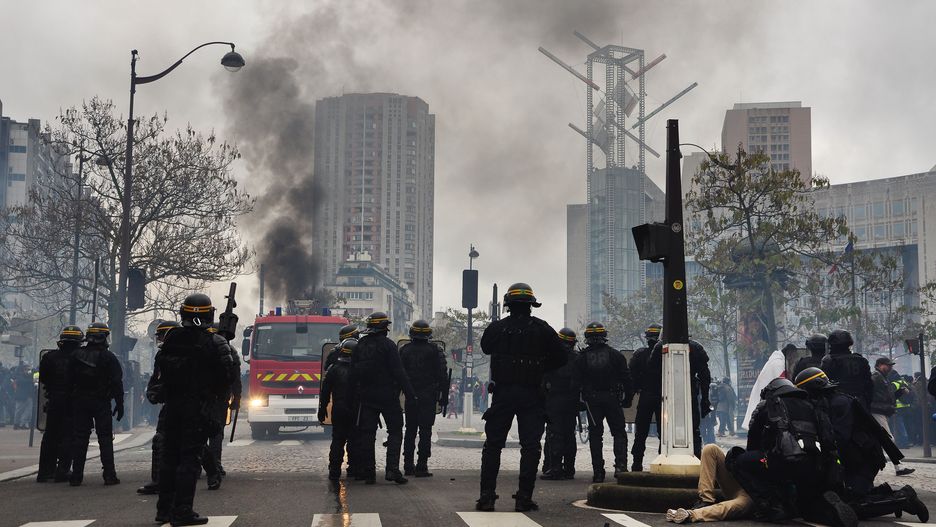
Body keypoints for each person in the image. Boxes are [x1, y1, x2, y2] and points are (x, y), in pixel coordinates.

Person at [476, 283, 566, 512]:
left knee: (493, 446)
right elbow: (561, 358)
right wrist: (541, 367)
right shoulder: (543, 329)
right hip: (532, 395)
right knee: (531, 447)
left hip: (504, 394)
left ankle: (487, 497)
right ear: (531, 306)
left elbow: (485, 347)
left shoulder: (497, 328)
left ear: (508, 305)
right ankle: (524, 497)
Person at [795, 367, 928, 522]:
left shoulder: (838, 403)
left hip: (863, 461)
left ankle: (904, 498)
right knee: (849, 495)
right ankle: (886, 495)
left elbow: (839, 438)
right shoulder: (831, 400)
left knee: (853, 505)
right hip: (856, 459)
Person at [155, 293, 234, 526]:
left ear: (183, 314)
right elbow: (226, 376)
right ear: (210, 314)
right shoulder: (215, 342)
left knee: (169, 458)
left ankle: (163, 510)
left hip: (173, 407)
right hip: (198, 407)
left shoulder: (171, 338)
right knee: (189, 460)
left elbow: (161, 370)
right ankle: (182, 511)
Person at [743, 378, 856, 526]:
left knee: (739, 459)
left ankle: (772, 506)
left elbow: (753, 442)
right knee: (806, 509)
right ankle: (827, 511)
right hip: (815, 467)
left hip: (782, 464)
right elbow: (829, 439)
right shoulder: (811, 405)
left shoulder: (770, 405)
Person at [351, 312, 416, 485]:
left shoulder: (360, 346)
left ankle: (369, 472)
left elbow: (353, 373)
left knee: (367, 434)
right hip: (388, 396)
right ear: (383, 328)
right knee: (395, 430)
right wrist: (410, 394)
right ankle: (392, 470)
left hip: (366, 398)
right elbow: (399, 372)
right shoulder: (389, 346)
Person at [576, 322, 633, 482]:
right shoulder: (615, 355)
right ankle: (621, 466)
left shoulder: (581, 358)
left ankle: (598, 472)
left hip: (592, 401)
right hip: (612, 399)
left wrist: (580, 402)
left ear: (587, 338)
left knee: (595, 435)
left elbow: (575, 382)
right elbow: (627, 379)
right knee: (619, 433)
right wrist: (627, 399)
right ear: (604, 336)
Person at [68, 322, 123, 486]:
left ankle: (76, 476)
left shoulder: (76, 354)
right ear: (103, 337)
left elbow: (68, 380)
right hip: (101, 401)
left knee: (80, 438)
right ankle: (109, 475)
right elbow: (116, 382)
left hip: (80, 401)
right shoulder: (109, 357)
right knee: (105, 438)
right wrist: (119, 403)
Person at [138, 320, 181, 495]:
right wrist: (152, 391)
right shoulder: (162, 355)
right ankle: (158, 481)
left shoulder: (190, 353)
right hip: (170, 403)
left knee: (193, 442)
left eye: (163, 336)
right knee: (160, 440)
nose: (161, 339)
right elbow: (158, 377)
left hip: (187, 403)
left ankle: (213, 472)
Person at [400, 320, 447, 477]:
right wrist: (444, 397)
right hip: (428, 395)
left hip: (410, 395)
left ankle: (407, 465)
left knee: (410, 430)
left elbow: (399, 375)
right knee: (425, 431)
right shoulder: (435, 350)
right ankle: (422, 466)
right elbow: (442, 376)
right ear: (428, 334)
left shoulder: (404, 350)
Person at [37, 326, 83, 483]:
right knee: (68, 436)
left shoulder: (49, 357)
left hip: (54, 401)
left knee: (50, 436)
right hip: (72, 402)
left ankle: (44, 472)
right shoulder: (80, 358)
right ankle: (62, 471)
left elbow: (43, 378)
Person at [665, 444, 755, 523]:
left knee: (732, 506)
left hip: (753, 495)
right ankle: (706, 500)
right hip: (740, 480)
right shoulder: (761, 428)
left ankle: (690, 514)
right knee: (710, 449)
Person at [199, 324, 242, 490]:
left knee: (200, 433)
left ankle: (202, 465)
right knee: (216, 433)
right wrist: (236, 398)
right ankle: (215, 465)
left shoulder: (199, 347)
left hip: (204, 396)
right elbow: (234, 379)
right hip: (219, 397)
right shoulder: (229, 351)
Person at [540, 327, 580, 481]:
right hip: (572, 402)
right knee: (570, 434)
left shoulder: (551, 358)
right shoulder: (578, 358)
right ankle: (569, 468)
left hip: (554, 400)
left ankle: (555, 468)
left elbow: (543, 380)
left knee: (555, 434)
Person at [319, 338, 358, 481]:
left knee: (338, 440)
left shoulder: (333, 370)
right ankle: (353, 469)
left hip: (338, 409)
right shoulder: (359, 371)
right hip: (355, 410)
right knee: (354, 440)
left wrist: (322, 409)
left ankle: (334, 470)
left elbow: (325, 392)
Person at [869, 357, 914, 476]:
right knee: (889, 439)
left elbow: (888, 397)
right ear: (879, 365)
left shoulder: (882, 378)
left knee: (879, 440)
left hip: (880, 411)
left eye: (890, 365)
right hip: (876, 411)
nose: (889, 368)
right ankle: (898, 467)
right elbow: (870, 394)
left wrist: (899, 393)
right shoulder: (876, 377)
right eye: (887, 365)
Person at [629, 323, 661, 472]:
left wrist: (634, 391)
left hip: (646, 396)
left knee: (640, 433)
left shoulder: (639, 354)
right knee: (664, 435)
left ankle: (637, 463)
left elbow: (632, 376)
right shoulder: (667, 353)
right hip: (663, 398)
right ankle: (663, 462)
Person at [822, 329, 873, 410]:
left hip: (838, 405)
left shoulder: (829, 361)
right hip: (860, 403)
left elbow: (824, 384)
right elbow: (869, 385)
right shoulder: (861, 360)